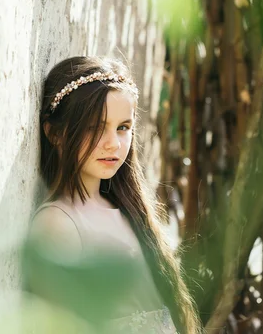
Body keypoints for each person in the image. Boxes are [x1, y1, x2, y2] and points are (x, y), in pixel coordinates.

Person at [29, 56, 201, 334]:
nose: (113, 144)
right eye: (95, 127)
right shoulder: (58, 223)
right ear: (55, 133)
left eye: (123, 128)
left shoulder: (127, 208)